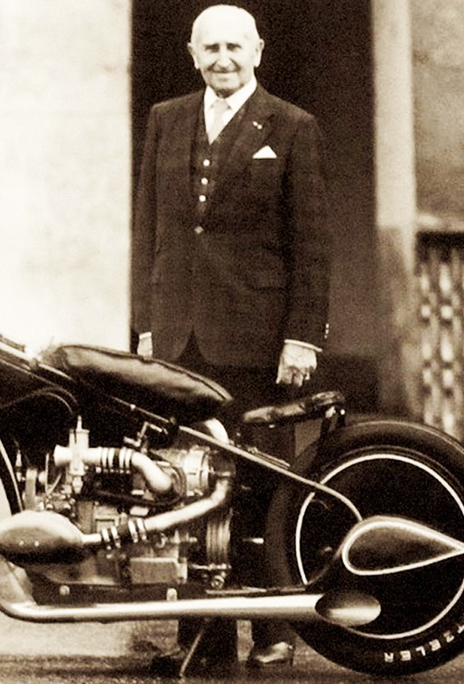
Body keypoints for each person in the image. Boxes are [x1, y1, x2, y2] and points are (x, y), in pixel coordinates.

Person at [131, 4, 331, 674]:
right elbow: (148, 229)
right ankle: (202, 636)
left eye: (234, 47)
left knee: (265, 485)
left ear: (258, 52)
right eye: (210, 48)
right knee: (185, 487)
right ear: (192, 55)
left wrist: (302, 338)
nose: (223, 59)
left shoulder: (292, 127)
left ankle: (274, 627)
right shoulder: (166, 119)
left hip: (257, 338)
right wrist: (145, 325)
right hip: (179, 339)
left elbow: (313, 246)